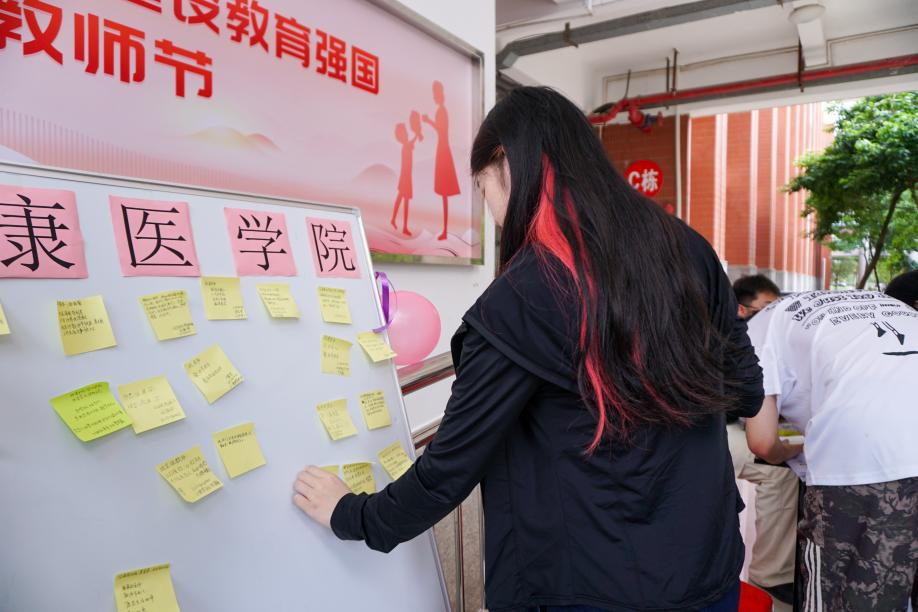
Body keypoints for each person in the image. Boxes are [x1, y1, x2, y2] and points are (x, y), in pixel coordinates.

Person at [292, 87, 764, 611]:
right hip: (707, 569)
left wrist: (352, 514)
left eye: (482, 188)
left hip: (588, 587)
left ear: (506, 163)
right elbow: (746, 391)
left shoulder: (524, 295)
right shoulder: (688, 248)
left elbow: (449, 469)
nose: (493, 213)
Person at [744, 290, 918, 611]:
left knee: (846, 597)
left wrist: (794, 450)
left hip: (863, 464)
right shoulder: (883, 304)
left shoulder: (757, 330)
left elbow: (762, 442)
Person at [726, 275, 798, 605]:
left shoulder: (759, 334)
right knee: (780, 470)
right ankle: (772, 577)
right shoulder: (742, 338)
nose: (772, 315)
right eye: (766, 307)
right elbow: (762, 442)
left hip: (730, 427)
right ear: (742, 309)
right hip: (715, 433)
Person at [422, 80, 460, 241]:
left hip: (443, 152)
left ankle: (445, 229)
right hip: (442, 150)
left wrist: (428, 121)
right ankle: (444, 229)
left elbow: (441, 130)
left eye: (435, 93)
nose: (434, 97)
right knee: (443, 195)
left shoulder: (442, 110)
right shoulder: (441, 110)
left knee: (444, 194)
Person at [390, 121, 418, 236]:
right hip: (405, 177)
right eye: (405, 132)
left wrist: (417, 134)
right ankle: (403, 225)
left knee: (401, 198)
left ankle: (394, 220)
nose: (407, 134)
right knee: (404, 200)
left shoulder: (406, 145)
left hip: (406, 176)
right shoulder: (406, 146)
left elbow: (413, 142)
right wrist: (417, 134)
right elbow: (412, 142)